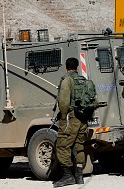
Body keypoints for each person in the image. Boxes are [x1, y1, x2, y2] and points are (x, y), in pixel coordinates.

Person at [53, 57, 97, 187]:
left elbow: (64, 102)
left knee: (62, 145)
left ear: (66, 67)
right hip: (83, 119)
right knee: (78, 145)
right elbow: (93, 100)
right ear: (77, 67)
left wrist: (62, 118)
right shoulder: (84, 81)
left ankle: (68, 176)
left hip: (71, 118)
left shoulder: (67, 80)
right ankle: (79, 175)